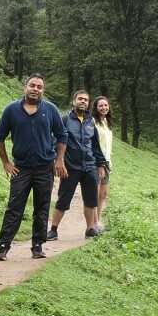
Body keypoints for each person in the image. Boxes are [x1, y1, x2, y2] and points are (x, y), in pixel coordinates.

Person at [0, 74, 67, 260]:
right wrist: (5, 162)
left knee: (42, 207)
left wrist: (59, 160)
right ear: (25, 87)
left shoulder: (50, 110)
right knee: (14, 207)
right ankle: (2, 247)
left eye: (39, 87)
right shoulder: (11, 110)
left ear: (43, 90)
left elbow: (62, 135)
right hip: (21, 168)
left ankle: (37, 246)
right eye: (32, 85)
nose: (35, 89)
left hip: (45, 168)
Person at [47, 90, 107, 240]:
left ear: (88, 104)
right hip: (70, 167)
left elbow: (95, 145)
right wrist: (57, 161)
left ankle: (90, 229)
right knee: (63, 198)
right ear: (73, 101)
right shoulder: (65, 119)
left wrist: (100, 164)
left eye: (86, 100)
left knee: (91, 199)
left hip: (90, 166)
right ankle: (53, 230)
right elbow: (56, 141)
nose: (83, 102)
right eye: (80, 99)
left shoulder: (91, 121)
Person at [91, 96, 112, 231]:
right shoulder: (93, 122)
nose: (104, 108)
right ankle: (93, 223)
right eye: (100, 106)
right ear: (96, 108)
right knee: (95, 193)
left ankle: (98, 220)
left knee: (103, 194)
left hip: (107, 162)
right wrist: (100, 163)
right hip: (96, 162)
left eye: (105, 105)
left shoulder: (107, 122)